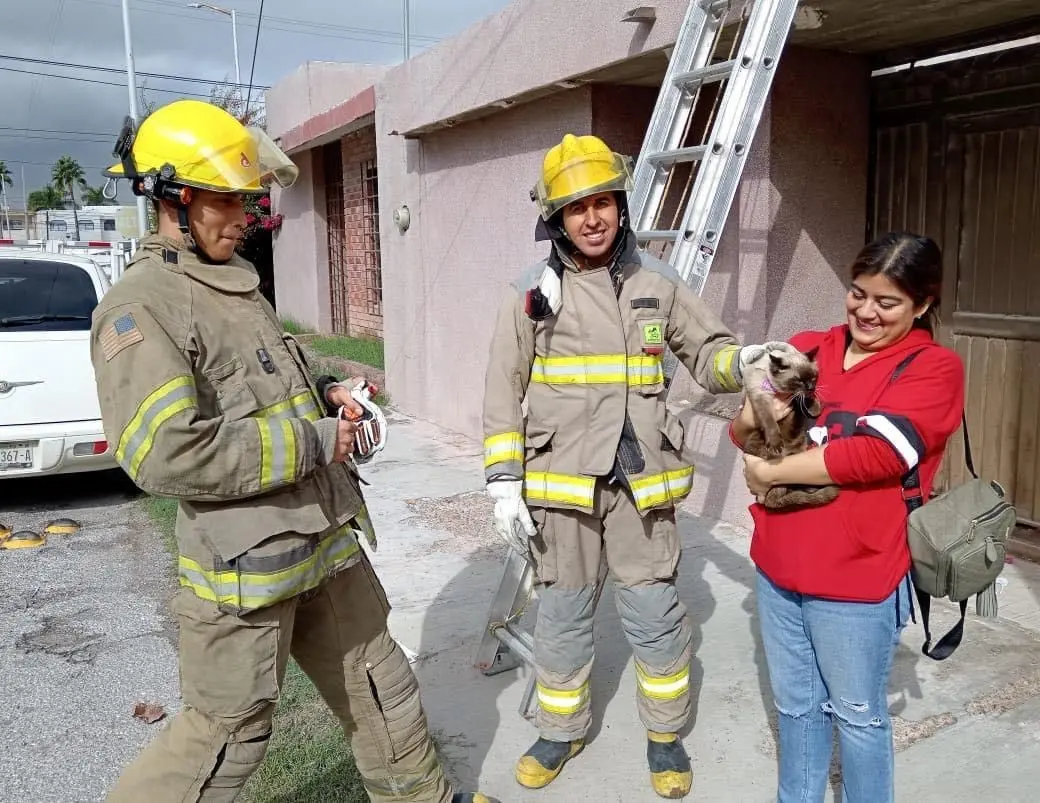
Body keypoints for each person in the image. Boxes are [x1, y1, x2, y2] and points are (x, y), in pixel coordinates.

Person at [91, 98, 498, 803]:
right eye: (229, 199)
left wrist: (331, 390)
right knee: (227, 734)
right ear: (173, 199)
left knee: (380, 684)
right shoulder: (142, 306)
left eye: (248, 198)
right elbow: (165, 452)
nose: (245, 215)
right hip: (247, 574)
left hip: (323, 544)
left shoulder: (232, 283)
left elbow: (270, 380)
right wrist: (316, 438)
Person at [482, 132, 784, 799]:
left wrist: (748, 361)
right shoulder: (530, 294)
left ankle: (665, 733)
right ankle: (561, 730)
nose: (592, 217)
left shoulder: (660, 282)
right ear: (554, 219)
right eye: (575, 207)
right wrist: (504, 482)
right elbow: (502, 390)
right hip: (562, 489)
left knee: (654, 612)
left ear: (621, 205)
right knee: (561, 614)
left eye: (603, 202)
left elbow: (709, 353)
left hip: (641, 484)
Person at [731, 232, 965, 802]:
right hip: (779, 565)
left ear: (923, 305)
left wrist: (768, 474)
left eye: (887, 303)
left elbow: (878, 454)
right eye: (858, 293)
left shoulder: (932, 369)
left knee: (858, 717)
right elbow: (743, 429)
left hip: (857, 576)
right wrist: (756, 409)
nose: (866, 311)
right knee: (796, 708)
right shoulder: (807, 347)